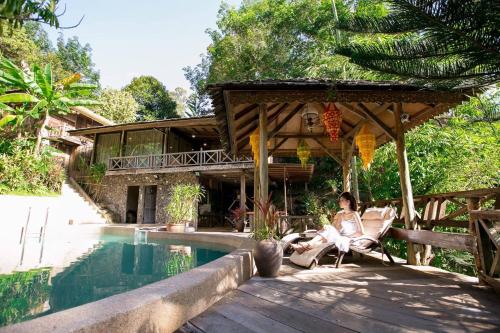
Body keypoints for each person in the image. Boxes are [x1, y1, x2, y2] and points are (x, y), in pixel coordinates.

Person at [291, 192, 364, 254]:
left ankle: (304, 246)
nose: (339, 202)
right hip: (340, 236)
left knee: (324, 236)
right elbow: (336, 229)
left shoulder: (355, 214)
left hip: (348, 238)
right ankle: (305, 246)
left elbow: (361, 232)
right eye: (339, 200)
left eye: (342, 200)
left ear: (348, 202)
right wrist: (327, 228)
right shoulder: (341, 214)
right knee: (323, 238)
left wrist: (348, 236)